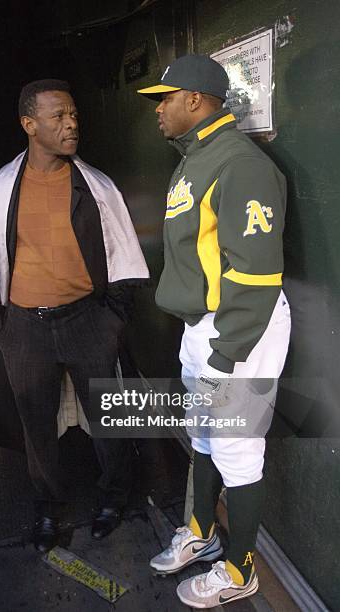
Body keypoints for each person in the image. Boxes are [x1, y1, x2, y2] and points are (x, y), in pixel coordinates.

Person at [0, 79, 149, 552]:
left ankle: (114, 498)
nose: (71, 124)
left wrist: (112, 321)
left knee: (111, 417)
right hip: (24, 328)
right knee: (37, 427)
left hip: (89, 321)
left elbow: (123, 255)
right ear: (29, 124)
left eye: (73, 115)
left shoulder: (95, 187)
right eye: (58, 116)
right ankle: (49, 509)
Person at [138, 56, 291, 607]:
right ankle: (202, 535)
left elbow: (255, 274)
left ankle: (239, 569)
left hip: (239, 331)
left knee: (238, 449)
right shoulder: (195, 156)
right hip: (201, 327)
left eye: (166, 97)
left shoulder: (239, 163)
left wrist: (229, 352)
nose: (159, 109)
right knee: (204, 437)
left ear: (196, 100)